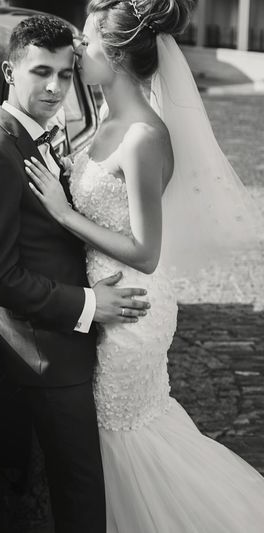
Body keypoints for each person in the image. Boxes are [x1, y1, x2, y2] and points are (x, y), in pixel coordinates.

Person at [24, 0, 264, 531]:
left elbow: (146, 251)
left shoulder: (143, 137)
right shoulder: (108, 120)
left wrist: (63, 214)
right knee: (113, 447)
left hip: (132, 314)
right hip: (104, 304)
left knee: (122, 442)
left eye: (86, 42)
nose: (78, 50)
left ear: (115, 55)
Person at [0, 15, 150, 533]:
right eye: (40, 72)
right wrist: (90, 304)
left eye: (64, 74)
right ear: (9, 73)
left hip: (71, 340)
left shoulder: (37, 135)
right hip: (47, 353)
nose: (54, 87)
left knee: (80, 485)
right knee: (80, 493)